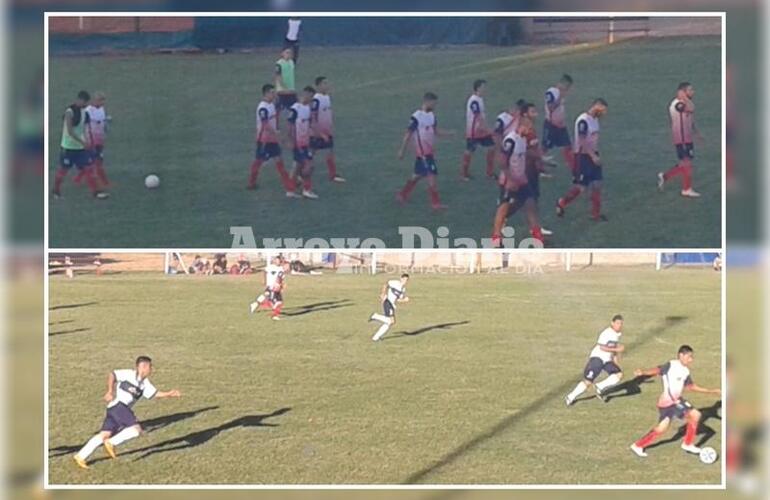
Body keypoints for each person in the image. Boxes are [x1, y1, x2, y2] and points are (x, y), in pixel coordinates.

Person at [72, 356, 181, 469]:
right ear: (143, 367)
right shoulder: (128, 374)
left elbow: (153, 394)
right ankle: (111, 443)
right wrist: (110, 391)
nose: (152, 369)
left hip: (115, 409)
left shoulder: (145, 383)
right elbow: (112, 375)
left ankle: (80, 456)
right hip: (118, 406)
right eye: (150, 366)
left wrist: (169, 394)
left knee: (104, 434)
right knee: (136, 430)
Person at [630, 345, 721, 457]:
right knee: (668, 426)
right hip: (667, 402)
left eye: (691, 357)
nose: (691, 359)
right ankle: (686, 444)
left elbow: (690, 386)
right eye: (689, 357)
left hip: (676, 401)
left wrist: (710, 391)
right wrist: (643, 372)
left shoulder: (686, 371)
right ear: (681, 355)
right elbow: (657, 370)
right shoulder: (671, 365)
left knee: (689, 417)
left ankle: (639, 445)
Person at [491, 116, 545, 246]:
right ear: (522, 126)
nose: (531, 131)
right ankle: (496, 238)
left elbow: (523, 155)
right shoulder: (511, 140)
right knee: (504, 207)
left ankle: (537, 237)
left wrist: (541, 159)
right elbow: (502, 162)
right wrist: (510, 180)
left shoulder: (522, 140)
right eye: (529, 128)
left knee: (530, 203)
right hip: (508, 181)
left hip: (521, 179)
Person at [396, 92, 452, 211]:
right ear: (427, 102)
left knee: (417, 175)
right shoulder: (416, 117)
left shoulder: (432, 116)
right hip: (423, 154)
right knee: (431, 176)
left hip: (429, 152)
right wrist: (402, 150)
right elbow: (408, 134)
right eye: (433, 103)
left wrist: (449, 134)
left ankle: (402, 194)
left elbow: (436, 132)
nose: (435, 105)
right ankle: (435, 203)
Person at [555, 98, 609, 221]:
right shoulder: (583, 121)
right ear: (596, 106)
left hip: (593, 155)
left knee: (597, 184)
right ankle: (562, 202)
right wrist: (593, 156)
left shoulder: (595, 120)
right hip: (583, 157)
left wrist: (595, 154)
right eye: (603, 109)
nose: (604, 113)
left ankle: (595, 214)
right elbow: (582, 140)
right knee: (581, 188)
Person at [52, 90, 109, 200]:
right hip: (68, 147)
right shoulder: (69, 112)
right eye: (84, 102)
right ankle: (55, 191)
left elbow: (86, 129)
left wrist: (90, 142)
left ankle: (96, 192)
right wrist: (83, 142)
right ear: (79, 100)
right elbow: (70, 131)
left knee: (89, 168)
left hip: (80, 148)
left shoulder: (85, 113)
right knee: (63, 171)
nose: (85, 105)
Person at [247, 84, 298, 197]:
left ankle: (289, 187)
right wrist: (276, 133)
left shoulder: (271, 106)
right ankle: (251, 183)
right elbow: (265, 124)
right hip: (264, 141)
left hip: (272, 140)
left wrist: (276, 132)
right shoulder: (263, 107)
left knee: (280, 163)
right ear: (265, 94)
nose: (274, 94)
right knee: (258, 162)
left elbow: (274, 121)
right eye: (271, 92)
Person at [565, 314, 626, 406]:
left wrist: (615, 362)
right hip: (598, 358)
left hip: (607, 360)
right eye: (617, 323)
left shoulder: (616, 335)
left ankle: (600, 386)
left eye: (621, 323)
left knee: (619, 374)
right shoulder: (607, 333)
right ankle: (571, 396)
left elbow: (613, 349)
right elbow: (602, 347)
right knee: (588, 381)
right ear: (612, 323)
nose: (619, 325)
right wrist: (617, 350)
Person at [657, 82, 703, 198]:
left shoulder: (684, 102)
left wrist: (696, 133)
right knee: (687, 163)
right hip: (681, 139)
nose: (693, 92)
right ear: (683, 92)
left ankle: (665, 177)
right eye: (690, 90)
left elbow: (690, 119)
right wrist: (683, 97)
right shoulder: (677, 104)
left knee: (685, 163)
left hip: (687, 138)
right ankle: (686, 189)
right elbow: (691, 108)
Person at [310, 76, 345, 183]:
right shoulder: (316, 99)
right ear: (319, 85)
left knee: (330, 151)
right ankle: (302, 171)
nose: (327, 85)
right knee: (312, 152)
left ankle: (333, 174)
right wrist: (318, 132)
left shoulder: (327, 97)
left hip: (327, 131)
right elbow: (313, 117)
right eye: (324, 83)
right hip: (317, 132)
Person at [460, 79, 496, 180]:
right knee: (469, 151)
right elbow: (478, 117)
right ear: (478, 88)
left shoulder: (480, 99)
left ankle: (489, 172)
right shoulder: (474, 101)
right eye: (483, 87)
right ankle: (464, 174)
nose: (485, 89)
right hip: (474, 132)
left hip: (481, 130)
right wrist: (488, 129)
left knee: (492, 148)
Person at [288, 86, 319, 199]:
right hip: (298, 144)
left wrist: (314, 133)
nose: (311, 99)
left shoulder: (307, 108)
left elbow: (309, 124)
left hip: (305, 142)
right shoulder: (295, 108)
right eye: (310, 96)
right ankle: (307, 189)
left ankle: (290, 190)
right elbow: (290, 126)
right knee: (309, 166)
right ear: (305, 94)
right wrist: (291, 141)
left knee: (297, 166)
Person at [75, 91, 110, 187]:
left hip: (100, 139)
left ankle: (78, 178)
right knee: (96, 161)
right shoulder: (88, 110)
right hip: (91, 140)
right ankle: (105, 182)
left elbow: (102, 121)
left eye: (103, 101)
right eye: (101, 101)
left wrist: (106, 124)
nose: (103, 103)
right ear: (95, 100)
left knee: (96, 161)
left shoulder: (102, 109)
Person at [542, 74, 575, 173]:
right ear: (562, 83)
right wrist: (560, 96)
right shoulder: (551, 92)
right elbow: (551, 107)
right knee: (544, 147)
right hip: (551, 125)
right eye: (567, 86)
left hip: (561, 125)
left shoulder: (561, 93)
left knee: (568, 146)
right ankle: (537, 168)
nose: (568, 89)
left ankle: (574, 168)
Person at [368, 274, 409, 341]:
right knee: (391, 321)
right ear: (401, 278)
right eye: (404, 279)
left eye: (406, 280)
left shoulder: (403, 289)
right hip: (387, 302)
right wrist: (383, 293)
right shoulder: (395, 283)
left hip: (392, 305)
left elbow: (397, 300)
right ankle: (375, 316)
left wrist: (404, 300)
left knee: (389, 323)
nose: (405, 281)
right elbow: (386, 284)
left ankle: (375, 337)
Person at [250, 256, 287, 320]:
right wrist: (265, 281)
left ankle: (255, 304)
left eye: (278, 260)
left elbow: (281, 279)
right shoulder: (270, 267)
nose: (277, 261)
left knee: (266, 295)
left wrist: (281, 286)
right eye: (276, 260)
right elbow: (265, 271)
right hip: (271, 285)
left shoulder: (281, 269)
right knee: (273, 300)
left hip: (275, 286)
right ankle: (274, 314)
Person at [274, 47, 297, 126]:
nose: (289, 54)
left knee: (295, 108)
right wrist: (284, 87)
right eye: (287, 52)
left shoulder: (291, 62)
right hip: (282, 91)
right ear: (282, 54)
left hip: (291, 90)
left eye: (290, 53)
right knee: (278, 109)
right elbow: (278, 76)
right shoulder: (279, 64)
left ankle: (292, 124)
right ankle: (276, 125)